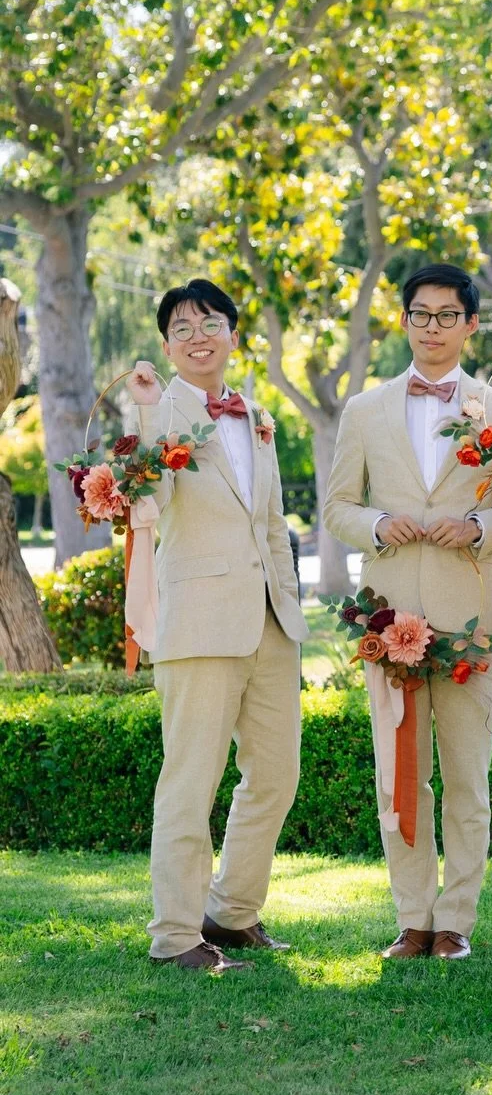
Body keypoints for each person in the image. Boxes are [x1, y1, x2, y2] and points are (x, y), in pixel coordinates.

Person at [324, 264, 492, 962]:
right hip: (392, 621)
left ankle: (456, 922)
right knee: (401, 776)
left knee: (468, 778)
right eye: (421, 314)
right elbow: (336, 507)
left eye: (447, 315)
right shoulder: (365, 410)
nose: (432, 327)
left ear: (472, 325)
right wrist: (380, 524)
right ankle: (412, 918)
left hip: (471, 613)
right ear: (403, 321)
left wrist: (479, 528)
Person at [127, 278, 309, 974]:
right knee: (190, 782)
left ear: (233, 332)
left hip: (269, 624)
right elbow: (148, 497)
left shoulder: (255, 413)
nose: (197, 335)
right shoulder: (159, 409)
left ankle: (231, 913)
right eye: (181, 327)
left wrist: (287, 608)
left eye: (209, 322)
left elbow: (269, 524)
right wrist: (147, 418)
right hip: (199, 624)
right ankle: (175, 936)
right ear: (167, 345)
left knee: (277, 776)